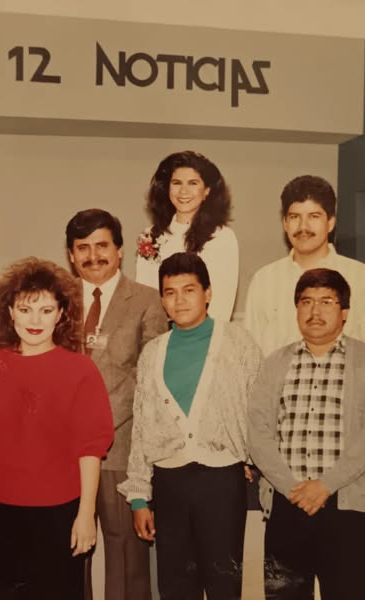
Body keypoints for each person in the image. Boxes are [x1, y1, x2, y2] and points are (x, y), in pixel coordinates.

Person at [0, 257, 114, 600]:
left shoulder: (81, 370)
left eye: (45, 310)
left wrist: (86, 514)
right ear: (9, 311)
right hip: (0, 512)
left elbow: (91, 449)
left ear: (61, 313)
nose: (35, 321)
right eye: (25, 310)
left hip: (60, 512)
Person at [119, 252, 261, 600]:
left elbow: (259, 410)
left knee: (224, 583)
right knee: (176, 585)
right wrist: (139, 498)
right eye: (170, 292)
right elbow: (142, 427)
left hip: (222, 480)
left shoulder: (238, 342)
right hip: (169, 482)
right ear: (162, 299)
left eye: (189, 290)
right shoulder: (153, 353)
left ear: (208, 293)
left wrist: (251, 458)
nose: (179, 300)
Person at [66, 209, 168, 600]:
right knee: (67, 554)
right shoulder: (56, 301)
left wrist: (97, 424)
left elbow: (149, 374)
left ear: (120, 250)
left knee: (126, 556)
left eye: (102, 246)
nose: (93, 256)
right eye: (83, 248)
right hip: (63, 451)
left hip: (121, 448)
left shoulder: (147, 301)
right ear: (71, 254)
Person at [248, 268, 365, 599]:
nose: (315, 311)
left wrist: (325, 484)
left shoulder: (362, 360)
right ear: (296, 308)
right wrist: (292, 488)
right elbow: (257, 430)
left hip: (348, 506)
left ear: (344, 312)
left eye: (326, 301)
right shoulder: (275, 363)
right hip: (287, 503)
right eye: (306, 301)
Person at [245, 174, 365, 356]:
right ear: (285, 223)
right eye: (295, 217)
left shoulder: (359, 277)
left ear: (331, 222)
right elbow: (251, 355)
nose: (303, 227)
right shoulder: (264, 280)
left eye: (313, 216)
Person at [136, 150, 239, 321]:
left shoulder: (222, 237)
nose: (183, 191)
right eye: (177, 183)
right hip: (159, 331)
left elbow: (221, 305)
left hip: (203, 332)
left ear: (207, 190)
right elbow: (145, 298)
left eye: (193, 183)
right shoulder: (150, 236)